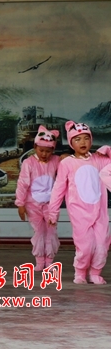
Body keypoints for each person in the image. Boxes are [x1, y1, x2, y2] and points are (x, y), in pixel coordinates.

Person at [48, 121, 111, 284]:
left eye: (86, 138)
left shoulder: (98, 159)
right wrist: (53, 212)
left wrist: (108, 151)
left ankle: (95, 272)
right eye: (77, 139)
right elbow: (58, 189)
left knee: (102, 243)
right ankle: (80, 272)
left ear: (91, 140)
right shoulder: (67, 163)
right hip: (79, 212)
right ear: (71, 143)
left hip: (100, 211)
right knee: (85, 245)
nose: (83, 142)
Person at [15, 126, 61, 271]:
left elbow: (67, 166)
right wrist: (20, 203)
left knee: (51, 231)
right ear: (35, 147)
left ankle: (50, 260)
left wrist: (67, 156)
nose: (44, 154)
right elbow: (22, 183)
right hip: (32, 204)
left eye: (48, 151)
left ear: (53, 150)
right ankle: (40, 260)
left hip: (51, 204)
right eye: (41, 150)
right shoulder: (29, 163)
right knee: (39, 231)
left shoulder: (56, 161)